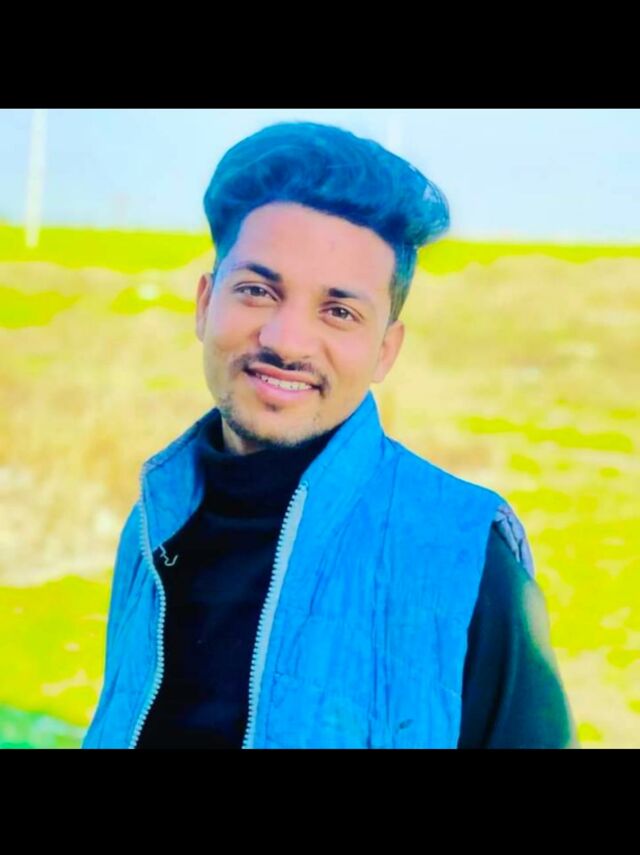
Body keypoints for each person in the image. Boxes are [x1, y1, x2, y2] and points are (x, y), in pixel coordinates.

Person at [81, 120, 579, 749]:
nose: (286, 341)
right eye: (258, 291)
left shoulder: (468, 562)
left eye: (339, 311)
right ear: (205, 305)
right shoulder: (154, 523)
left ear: (384, 351)